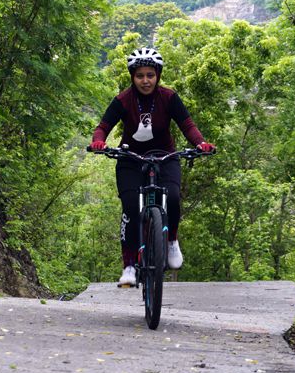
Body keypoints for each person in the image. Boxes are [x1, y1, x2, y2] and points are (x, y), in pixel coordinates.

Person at [89, 47, 215, 286]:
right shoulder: (123, 100)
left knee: (174, 197)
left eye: (150, 75)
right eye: (140, 76)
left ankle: (171, 242)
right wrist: (99, 142)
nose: (145, 80)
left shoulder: (168, 97)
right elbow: (103, 126)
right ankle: (129, 266)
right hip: (130, 159)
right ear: (132, 77)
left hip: (165, 156)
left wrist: (201, 143)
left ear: (157, 75)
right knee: (130, 208)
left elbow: (187, 124)